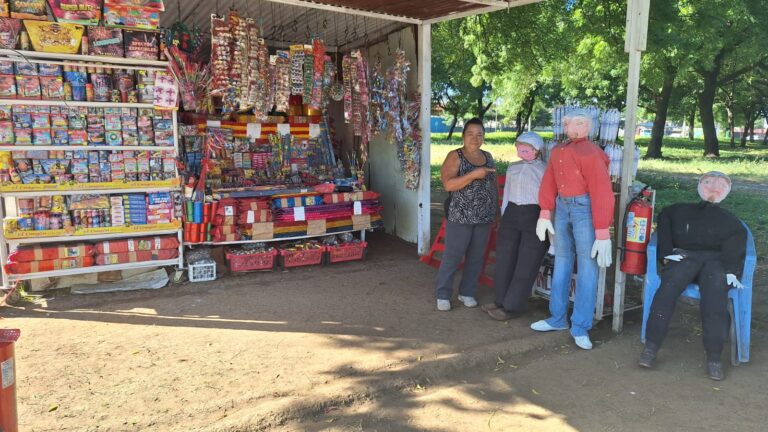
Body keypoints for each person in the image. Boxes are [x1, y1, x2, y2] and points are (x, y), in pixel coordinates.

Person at [639, 171, 746, 381]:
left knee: (716, 298)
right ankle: (651, 347)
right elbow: (665, 218)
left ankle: (714, 357)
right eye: (708, 183)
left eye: (719, 185)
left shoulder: (731, 223)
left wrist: (731, 271)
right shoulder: (677, 212)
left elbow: (735, 246)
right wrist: (667, 252)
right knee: (667, 289)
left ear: (726, 190)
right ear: (700, 185)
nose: (713, 188)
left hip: (715, 263)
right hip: (684, 258)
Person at [530, 109, 614, 350]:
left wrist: (602, 230)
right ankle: (557, 318)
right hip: (563, 206)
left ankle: (580, 325)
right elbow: (550, 180)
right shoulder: (558, 151)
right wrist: (545, 211)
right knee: (563, 260)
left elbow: (601, 191)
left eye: (579, 123)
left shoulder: (592, 153)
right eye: (569, 123)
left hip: (583, 208)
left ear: (590, 126)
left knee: (588, 265)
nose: (573, 128)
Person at [482, 132, 549, 320]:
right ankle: (500, 300)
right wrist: (503, 216)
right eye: (519, 148)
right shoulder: (513, 167)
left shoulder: (544, 170)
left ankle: (512, 306)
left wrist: (547, 220)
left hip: (534, 214)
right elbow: (508, 193)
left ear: (538, 150)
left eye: (527, 149)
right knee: (505, 257)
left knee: (527, 262)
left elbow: (549, 198)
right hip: (511, 213)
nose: (522, 152)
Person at [435, 117, 497, 311]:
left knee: (476, 257)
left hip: (484, 217)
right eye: (470, 134)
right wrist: (473, 175)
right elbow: (448, 184)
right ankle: (443, 294)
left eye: (479, 134)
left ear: (484, 137)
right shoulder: (455, 156)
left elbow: (492, 185)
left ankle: (467, 292)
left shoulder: (488, 156)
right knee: (453, 256)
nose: (475, 138)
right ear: (463, 136)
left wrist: (496, 211)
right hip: (460, 215)